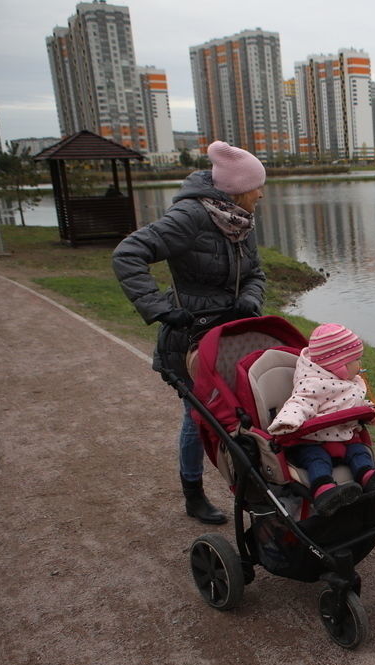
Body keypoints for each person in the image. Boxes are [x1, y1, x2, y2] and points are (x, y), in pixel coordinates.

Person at [112, 140, 268, 525]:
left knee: (247, 408)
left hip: (233, 332)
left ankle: (259, 483)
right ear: (237, 189)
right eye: (257, 187)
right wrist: (162, 310)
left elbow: (255, 274)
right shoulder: (190, 218)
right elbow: (128, 254)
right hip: (192, 334)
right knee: (197, 416)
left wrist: (250, 297)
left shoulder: (240, 221)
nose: (261, 194)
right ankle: (193, 492)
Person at [267, 323, 375, 515]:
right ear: (339, 365)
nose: (360, 365)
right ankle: (325, 491)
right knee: (317, 460)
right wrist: (288, 421)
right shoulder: (313, 385)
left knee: (358, 451)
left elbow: (350, 403)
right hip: (313, 442)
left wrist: (369, 411)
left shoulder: (347, 383)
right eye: (356, 360)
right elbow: (299, 404)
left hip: (344, 439)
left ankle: (370, 478)